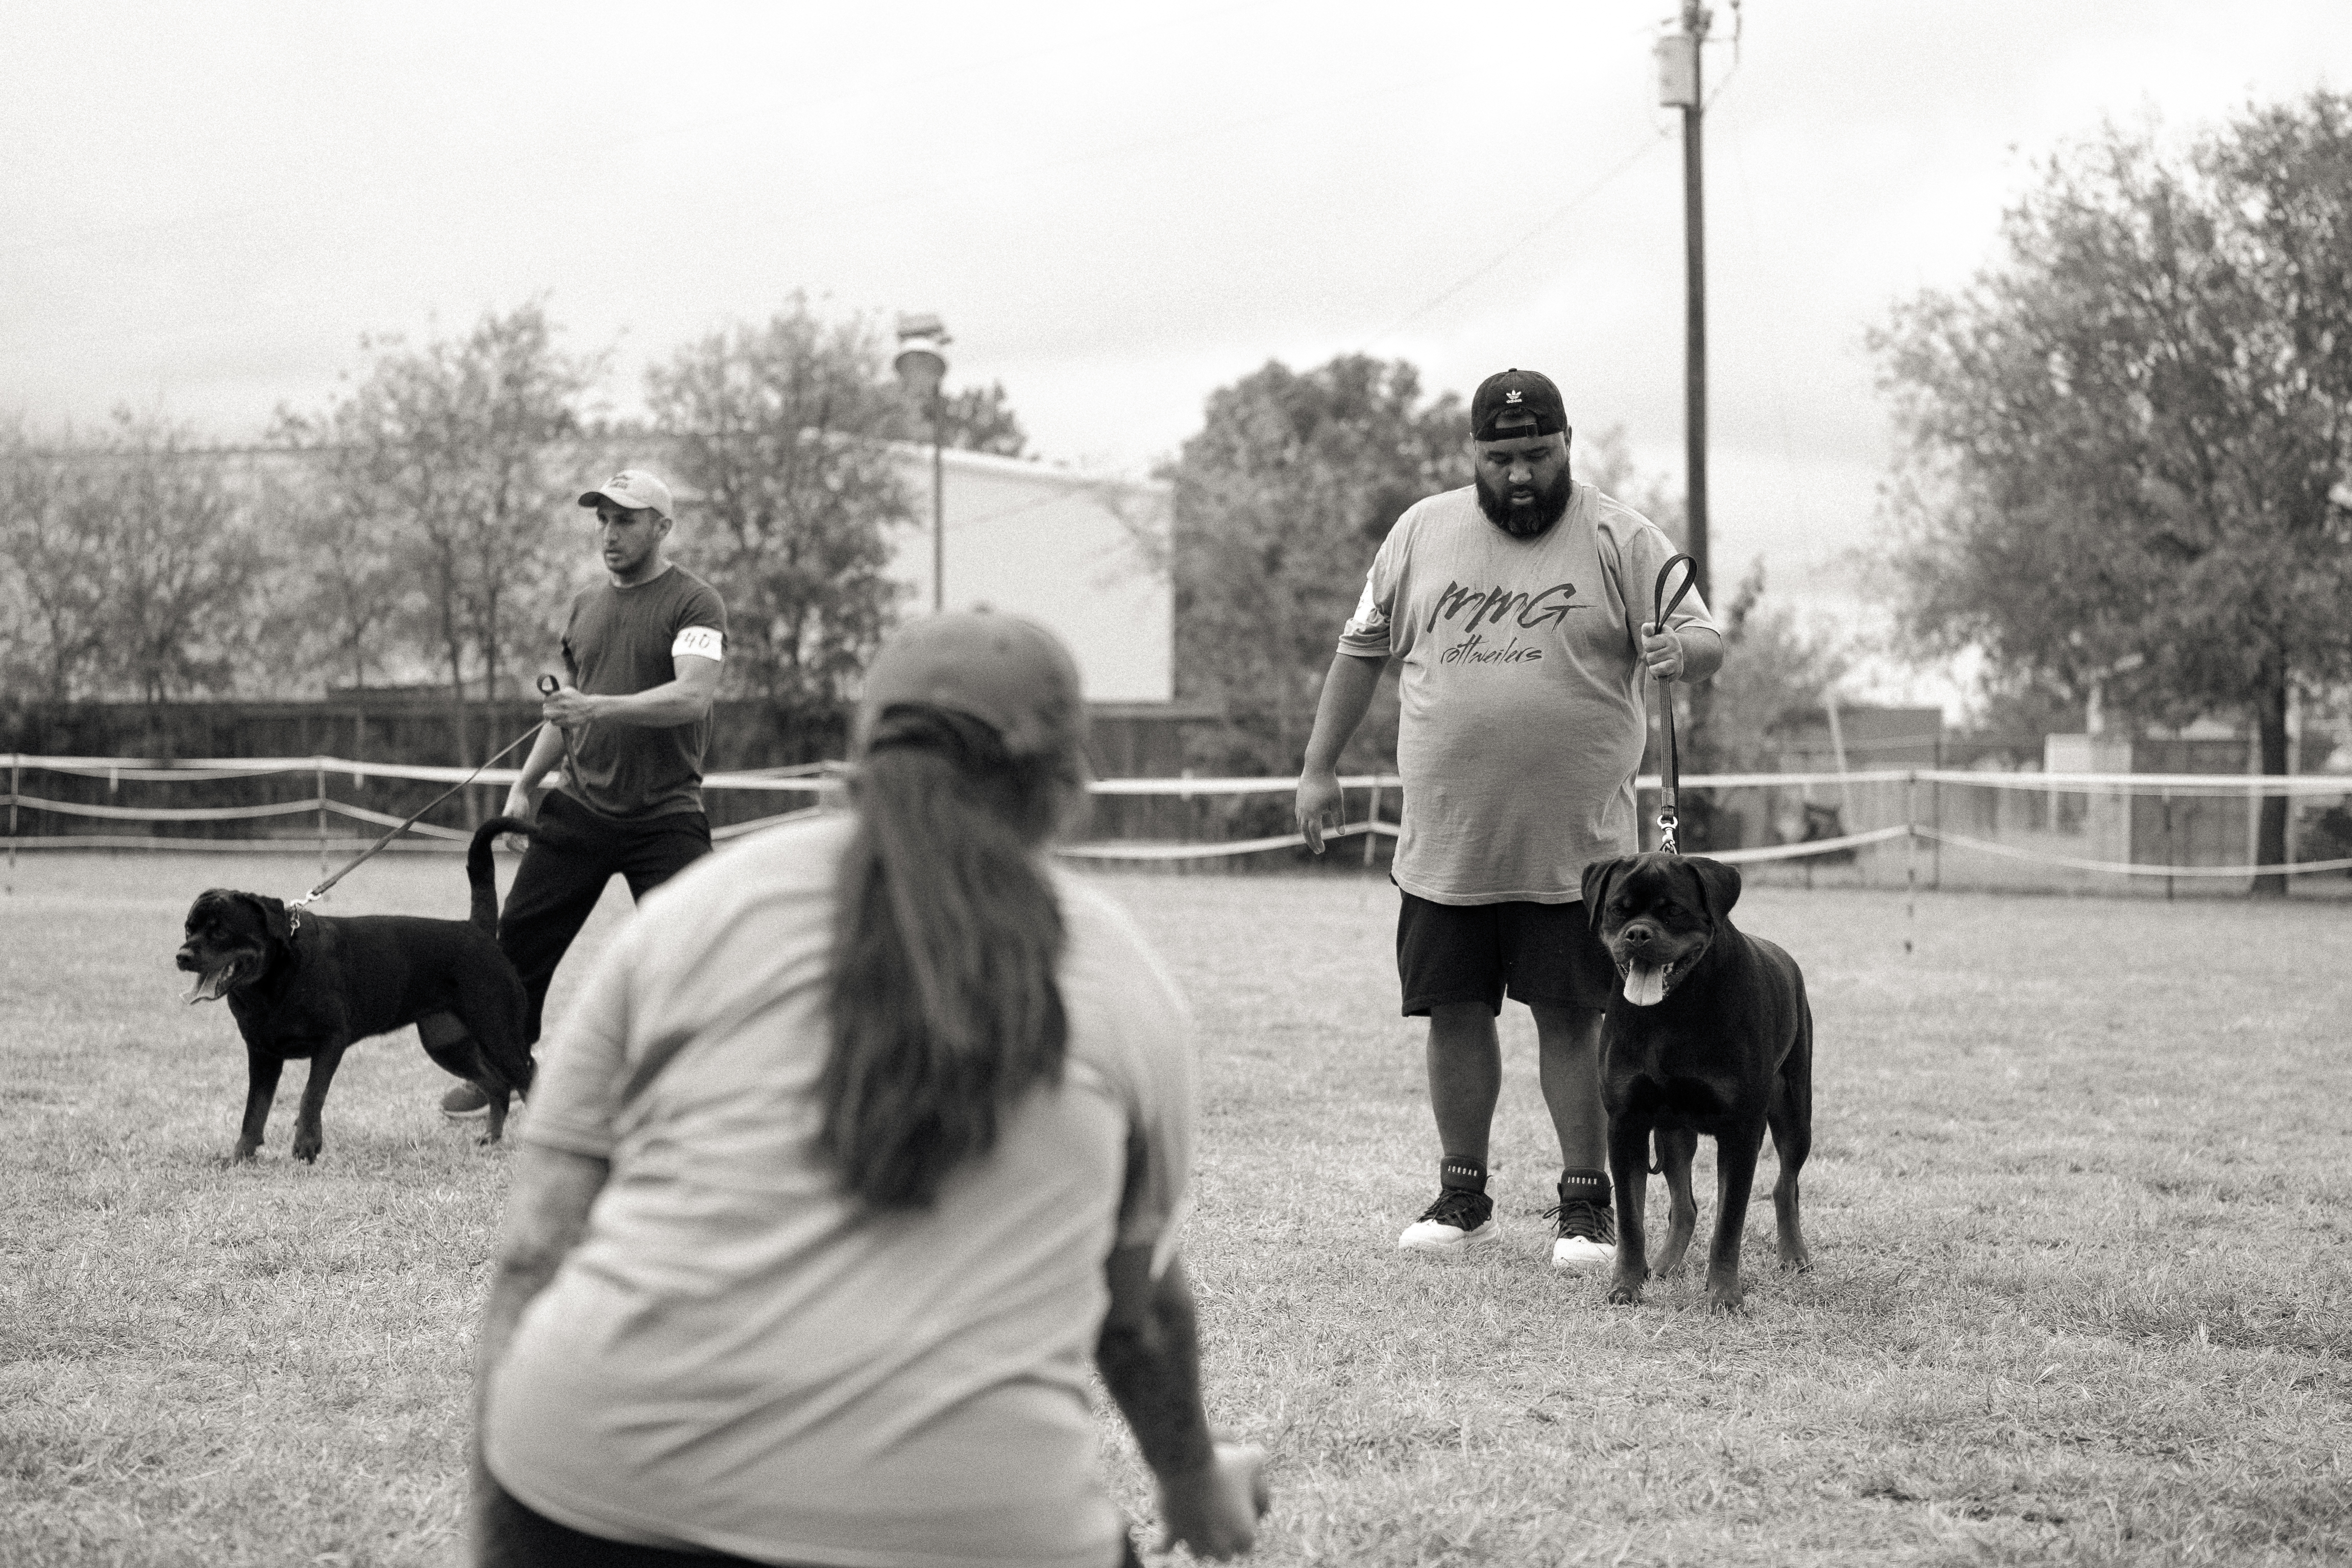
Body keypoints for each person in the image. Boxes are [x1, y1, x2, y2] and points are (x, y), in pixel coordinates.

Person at [469, 611, 1267, 1568]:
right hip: (966, 1531)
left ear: (857, 760)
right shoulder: (1119, 975)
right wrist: (1190, 1478)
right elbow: (1133, 1315)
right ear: (1065, 788)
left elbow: (533, 1255)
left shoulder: (689, 917)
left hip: (583, 1498)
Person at [1292, 368, 1722, 1272]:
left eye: (1537, 453)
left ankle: (1584, 1204)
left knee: (1573, 1017)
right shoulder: (1418, 531)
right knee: (1453, 1012)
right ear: (1474, 457)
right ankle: (1462, 1196)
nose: (1520, 474)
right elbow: (1360, 647)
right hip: (1446, 843)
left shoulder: (1618, 535)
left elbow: (1706, 636)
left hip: (1581, 854)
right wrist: (1317, 766)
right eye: (1500, 457)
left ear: (1566, 445)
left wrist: (1676, 649)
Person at [440, 467, 727, 1123]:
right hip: (580, 806)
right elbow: (565, 714)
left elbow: (692, 697)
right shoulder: (584, 607)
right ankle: (501, 1072)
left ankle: (709, 1086)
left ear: (662, 526)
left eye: (626, 519)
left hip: (667, 814)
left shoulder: (695, 603)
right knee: (514, 950)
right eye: (602, 518)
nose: (610, 532)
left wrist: (595, 707)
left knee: (697, 952)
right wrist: (522, 785)